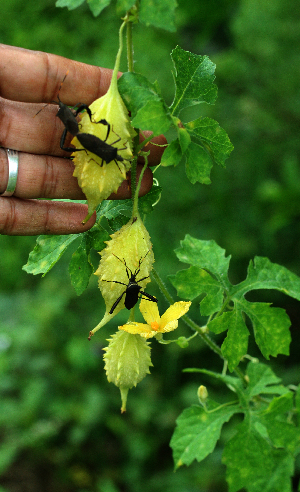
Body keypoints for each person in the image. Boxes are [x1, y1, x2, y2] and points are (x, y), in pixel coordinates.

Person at [0, 44, 166, 236]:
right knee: (78, 134)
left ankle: (93, 138)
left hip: (88, 140)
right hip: (87, 139)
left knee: (80, 133)